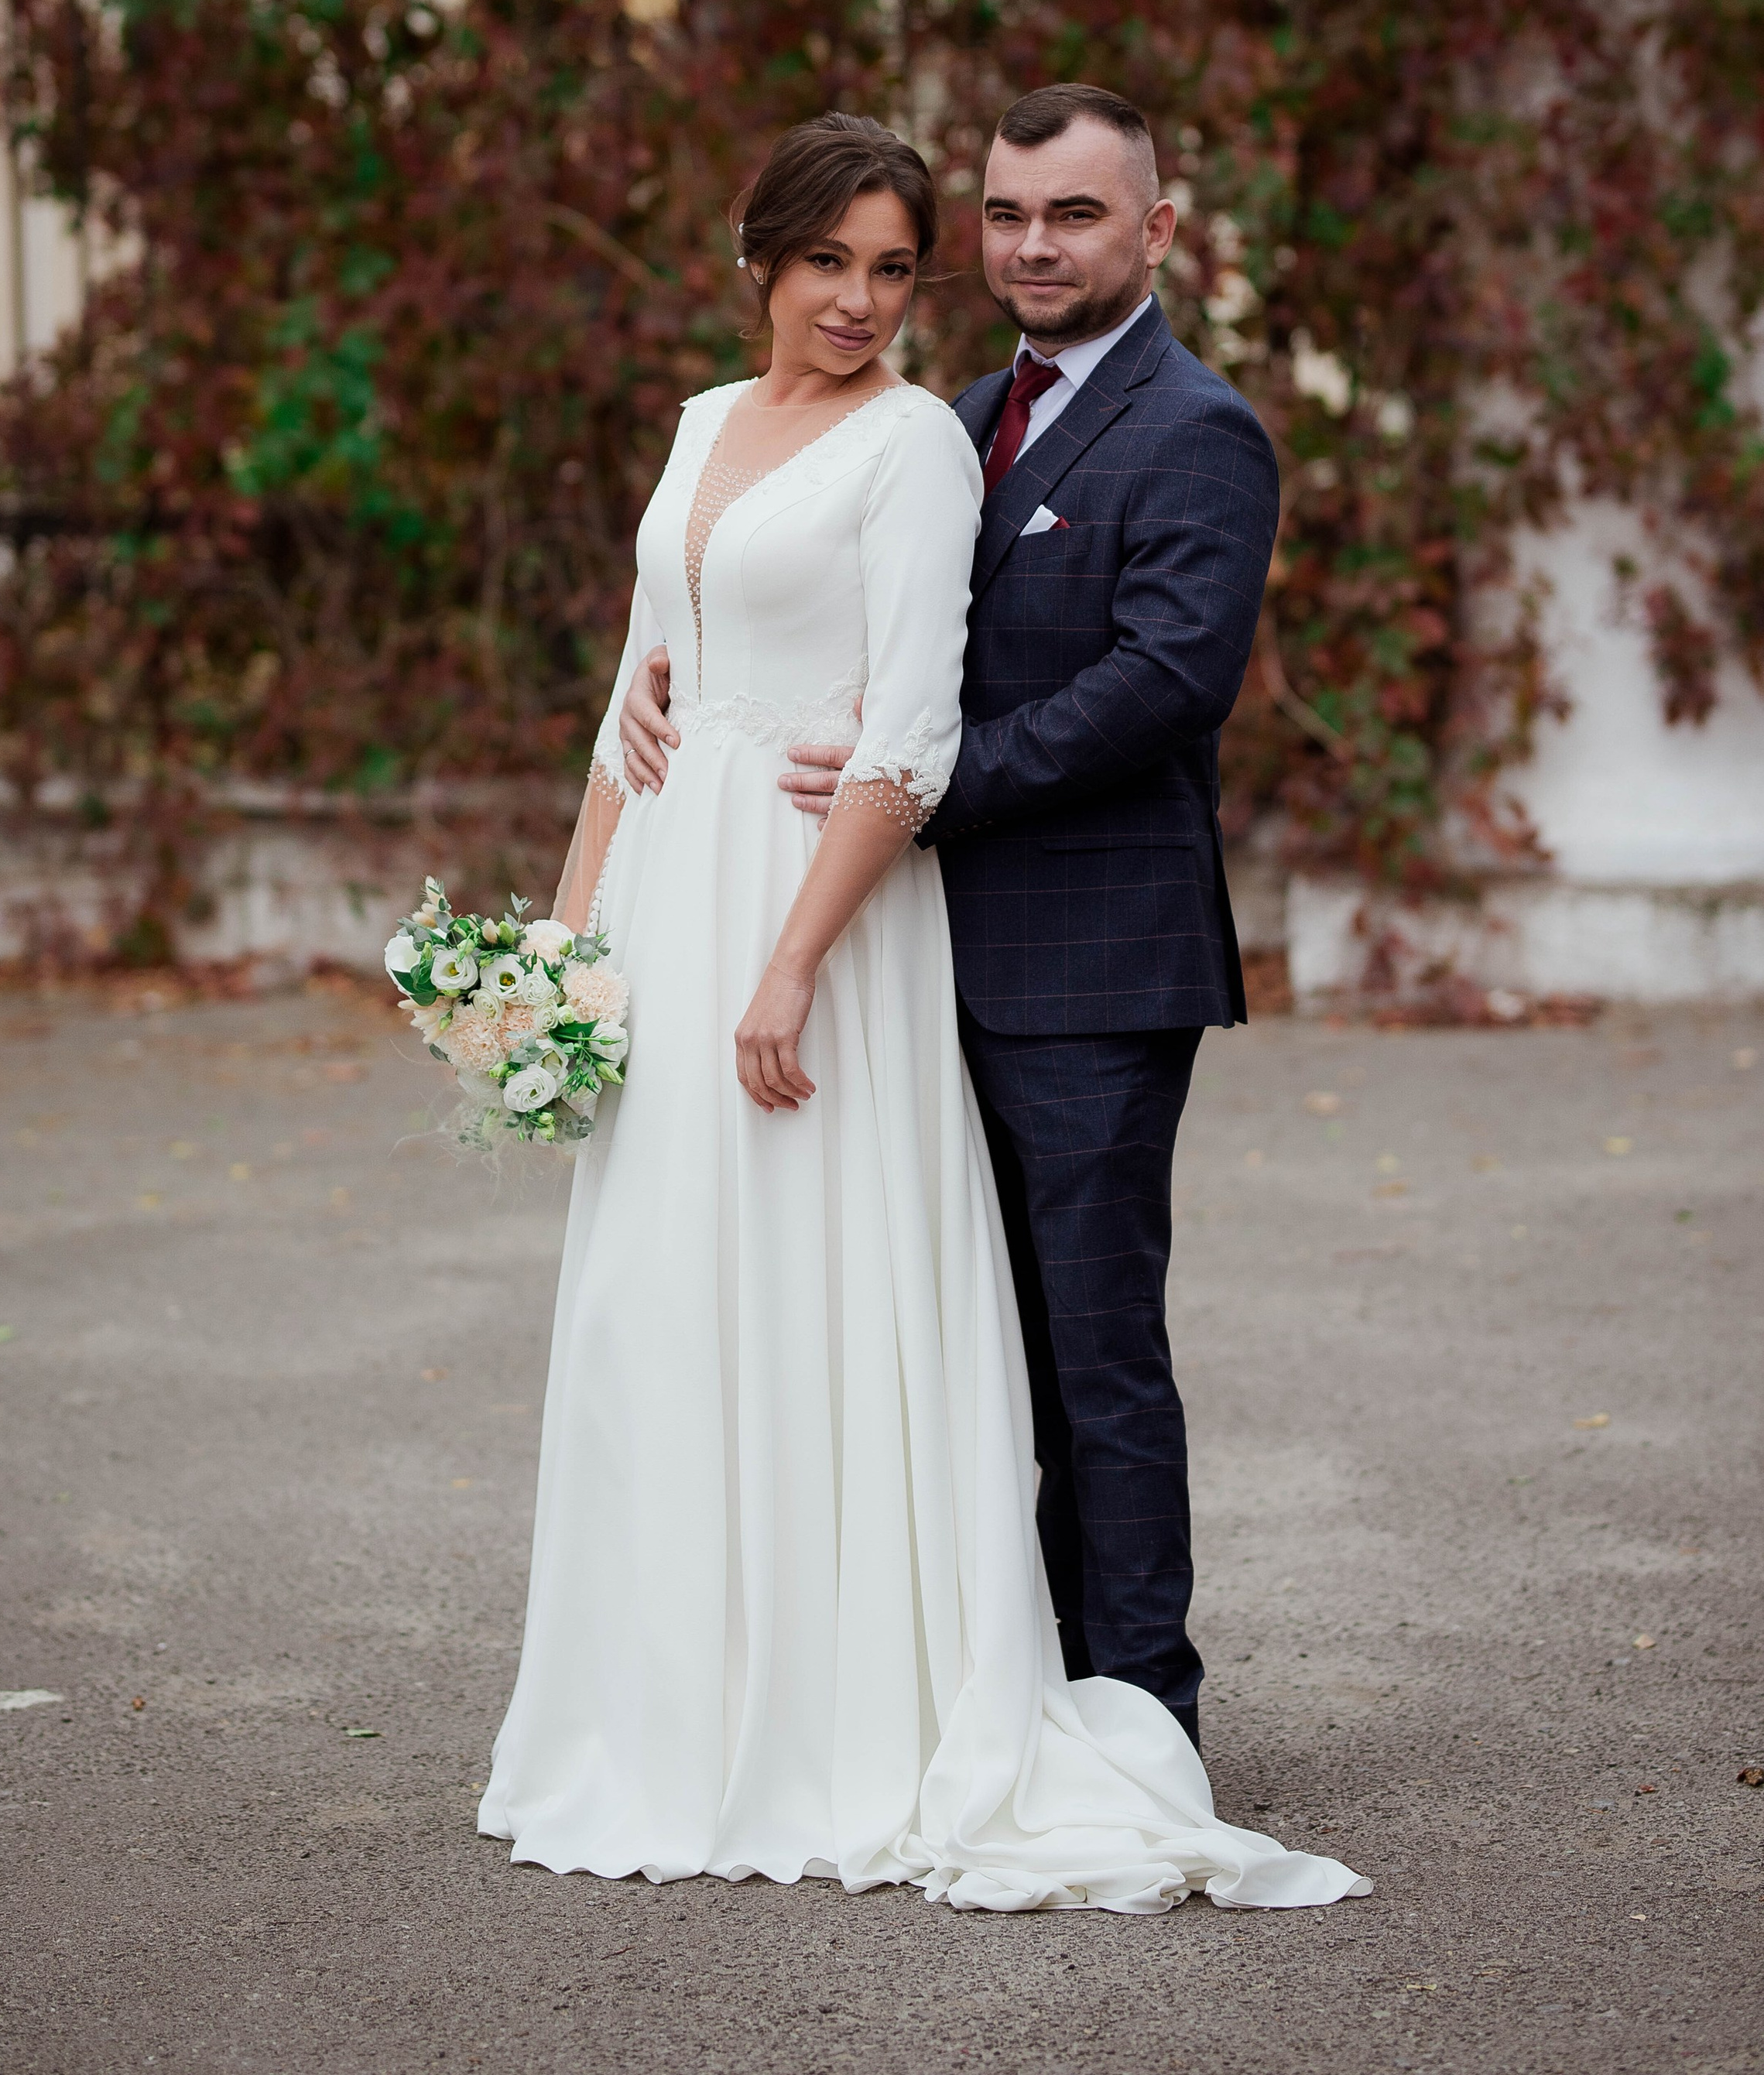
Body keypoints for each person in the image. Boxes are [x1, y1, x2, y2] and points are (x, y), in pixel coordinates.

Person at [479, 109, 1364, 1913]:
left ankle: (1134, 1711)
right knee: (908, 1323)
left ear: (1155, 227)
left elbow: (1158, 685)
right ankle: (788, 1669)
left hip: (1064, 946)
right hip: (885, 924)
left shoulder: (1189, 433)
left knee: (1082, 1348)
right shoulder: (949, 412)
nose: (1027, 247)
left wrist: (914, 797)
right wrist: (657, 724)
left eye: (1072, 215)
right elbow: (742, 622)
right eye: (1007, 217)